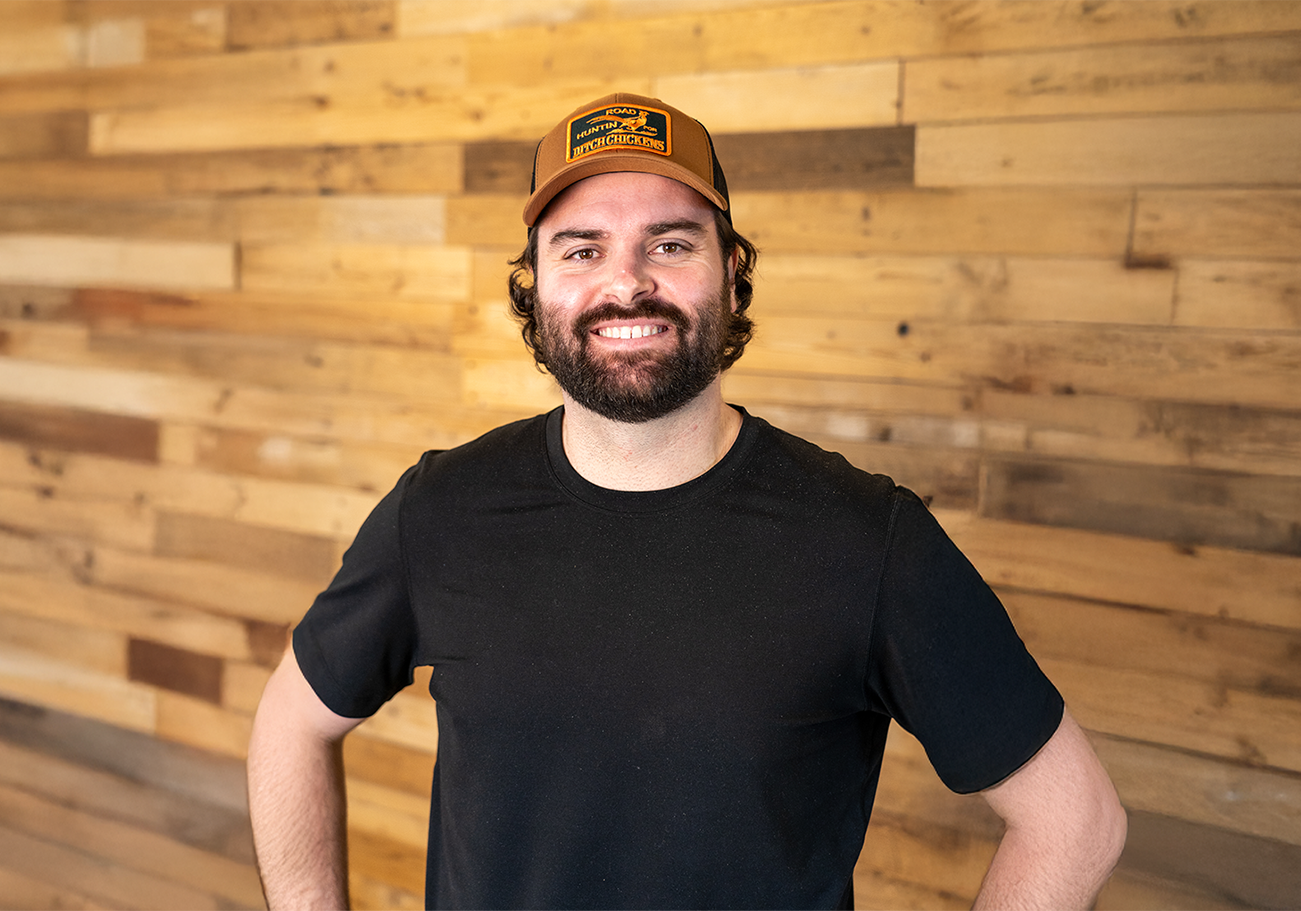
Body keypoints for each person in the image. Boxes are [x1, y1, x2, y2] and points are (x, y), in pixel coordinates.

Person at [247, 92, 1126, 911]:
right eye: (582, 249)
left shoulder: (867, 540)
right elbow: (292, 722)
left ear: (731, 272)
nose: (626, 283)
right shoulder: (442, 509)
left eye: (670, 244)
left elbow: (1076, 820)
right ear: (535, 283)